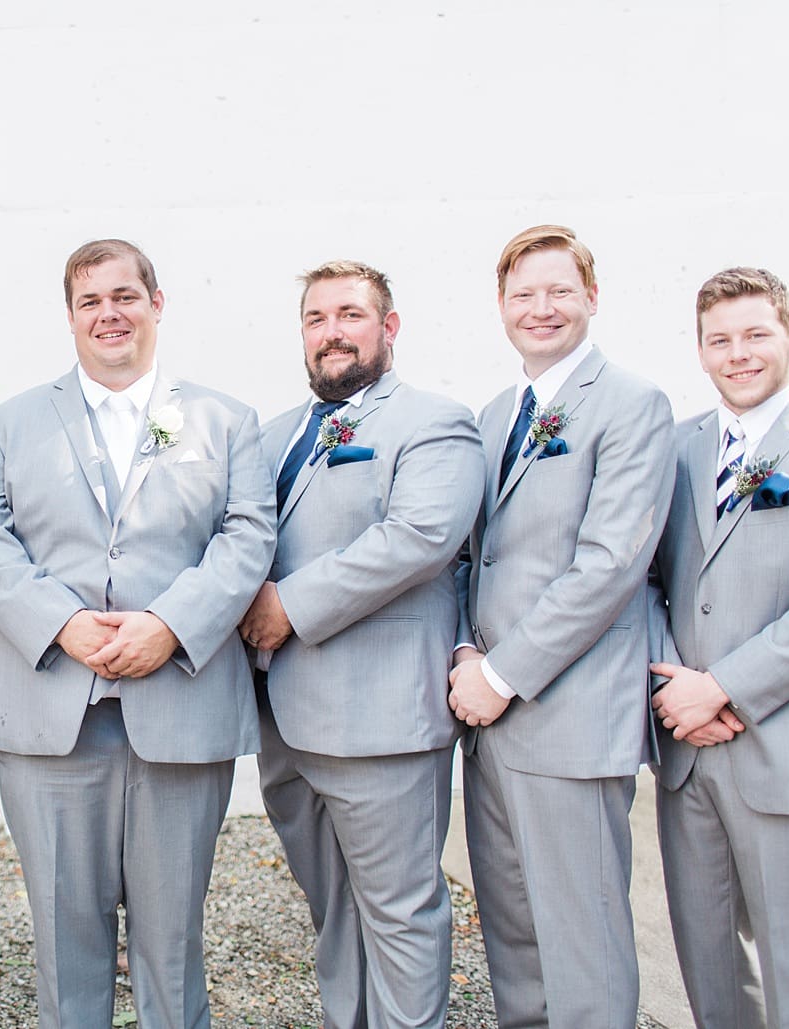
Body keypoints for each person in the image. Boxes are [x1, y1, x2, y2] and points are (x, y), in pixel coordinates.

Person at [0, 238, 276, 1028]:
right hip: (50, 710)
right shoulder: (10, 423)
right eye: (90, 301)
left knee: (172, 936)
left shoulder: (224, 419)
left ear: (155, 303)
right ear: (69, 316)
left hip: (180, 705)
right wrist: (59, 622)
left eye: (124, 296)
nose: (109, 314)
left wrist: (170, 624)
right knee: (64, 935)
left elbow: (247, 535)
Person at [240, 260, 483, 1028]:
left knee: (400, 913)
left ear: (388, 326)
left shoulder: (434, 422)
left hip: (379, 720)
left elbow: (418, 536)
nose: (331, 332)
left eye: (349, 314)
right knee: (333, 909)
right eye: (315, 318)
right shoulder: (272, 434)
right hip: (282, 720)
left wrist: (289, 604)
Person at [450, 224, 675, 1027]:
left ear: (591, 296)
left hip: (569, 713)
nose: (539, 308)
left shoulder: (632, 405)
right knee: (514, 936)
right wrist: (464, 651)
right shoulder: (493, 415)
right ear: (501, 305)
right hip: (488, 722)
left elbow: (610, 564)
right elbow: (470, 557)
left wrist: (499, 673)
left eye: (558, 290)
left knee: (583, 942)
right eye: (523, 294)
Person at [649, 267, 789, 1027]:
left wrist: (718, 688)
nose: (737, 353)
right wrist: (675, 691)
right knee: (708, 964)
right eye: (719, 340)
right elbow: (642, 580)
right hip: (686, 749)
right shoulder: (675, 449)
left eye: (755, 335)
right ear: (701, 351)